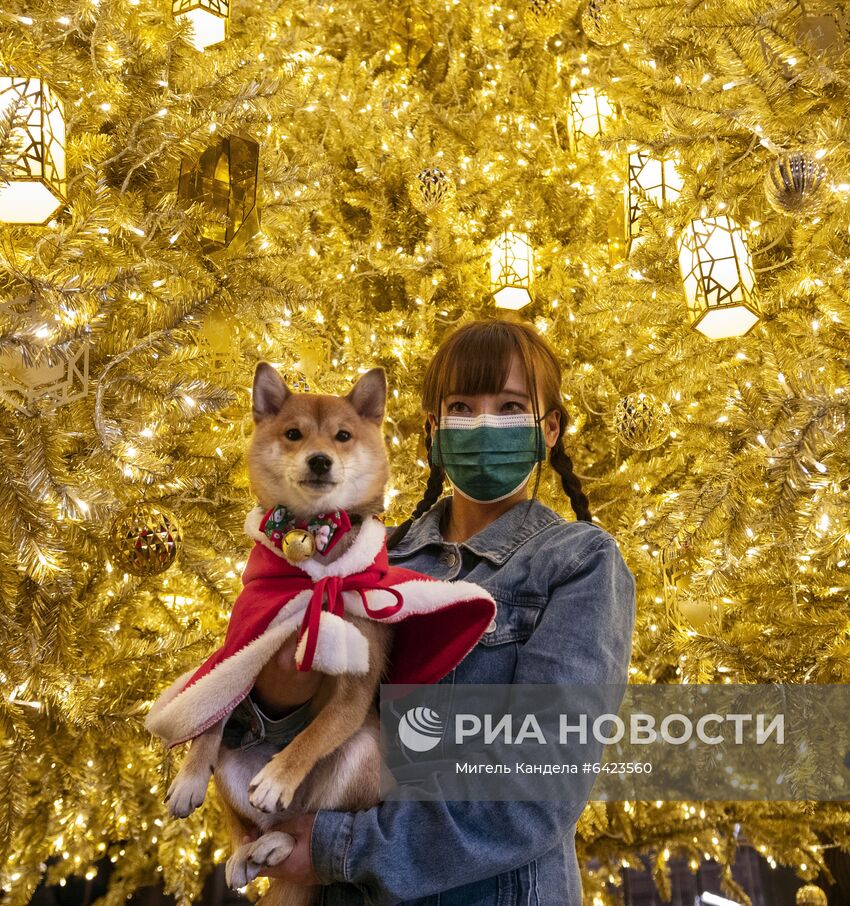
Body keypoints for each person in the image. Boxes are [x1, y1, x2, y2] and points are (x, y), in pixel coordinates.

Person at [240, 316, 636, 904]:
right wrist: (270, 699)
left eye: (509, 407)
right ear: (432, 430)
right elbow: (285, 724)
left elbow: (538, 789)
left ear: (548, 429)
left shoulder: (578, 563)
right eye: (461, 406)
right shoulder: (369, 554)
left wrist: (338, 848)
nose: (483, 425)